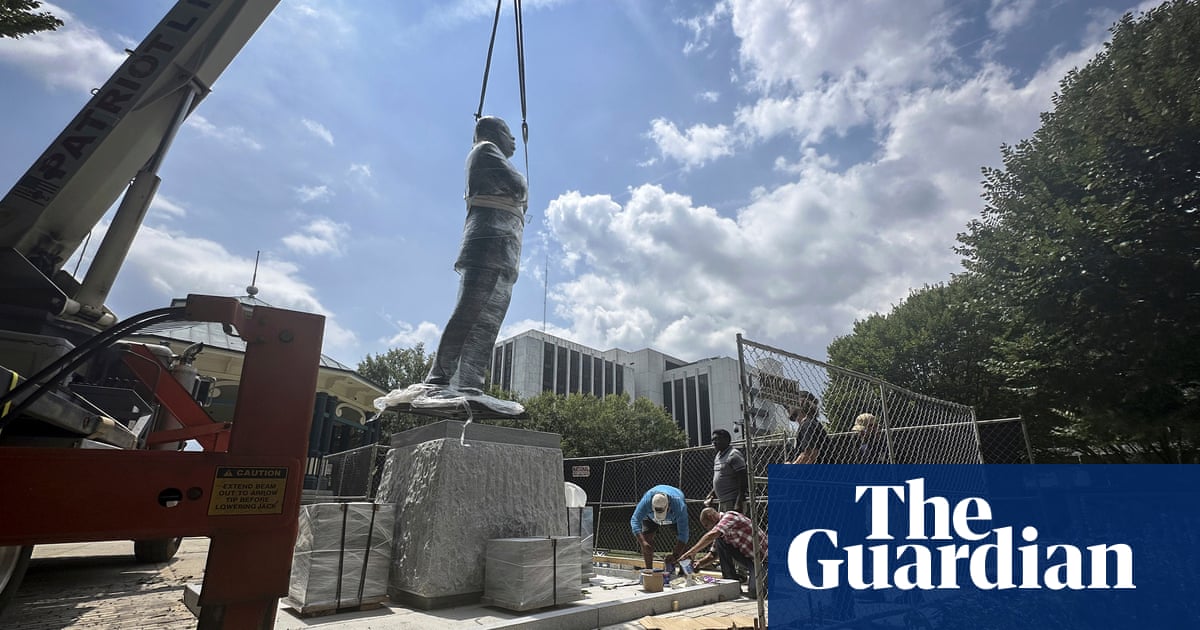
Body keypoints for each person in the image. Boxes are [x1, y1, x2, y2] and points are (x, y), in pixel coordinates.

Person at [424, 116, 528, 395]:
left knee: (489, 320)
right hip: (487, 246)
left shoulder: (491, 152)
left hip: (503, 251)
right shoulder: (484, 150)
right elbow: (517, 186)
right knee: (470, 312)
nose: (514, 139)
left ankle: (469, 382)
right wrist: (522, 187)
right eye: (508, 132)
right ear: (493, 132)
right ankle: (440, 377)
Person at [678, 507, 768, 598]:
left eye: (706, 525)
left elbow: (712, 534)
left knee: (756, 593)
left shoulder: (730, 516)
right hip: (750, 559)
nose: (707, 529)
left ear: (711, 517)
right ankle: (731, 583)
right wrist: (699, 563)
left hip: (763, 560)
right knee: (720, 541)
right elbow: (713, 554)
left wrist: (691, 552)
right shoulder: (720, 533)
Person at [630, 484, 690, 570]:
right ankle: (649, 570)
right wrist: (643, 543)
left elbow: (684, 535)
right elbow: (635, 520)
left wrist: (675, 555)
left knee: (683, 546)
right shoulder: (646, 501)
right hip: (651, 517)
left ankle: (684, 572)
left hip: (673, 518)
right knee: (646, 539)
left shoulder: (679, 506)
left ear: (668, 505)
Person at [704, 429, 747, 514]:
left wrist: (738, 501)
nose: (714, 442)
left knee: (733, 527)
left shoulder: (733, 454)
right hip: (723, 501)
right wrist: (712, 493)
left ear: (726, 439)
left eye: (717, 439)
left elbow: (743, 478)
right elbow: (722, 476)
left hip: (733, 501)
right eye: (713, 440)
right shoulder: (718, 456)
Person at [787, 391, 828, 464]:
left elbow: (810, 454)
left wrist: (792, 468)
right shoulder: (811, 423)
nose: (789, 406)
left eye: (791, 403)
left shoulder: (807, 425)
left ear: (799, 404)